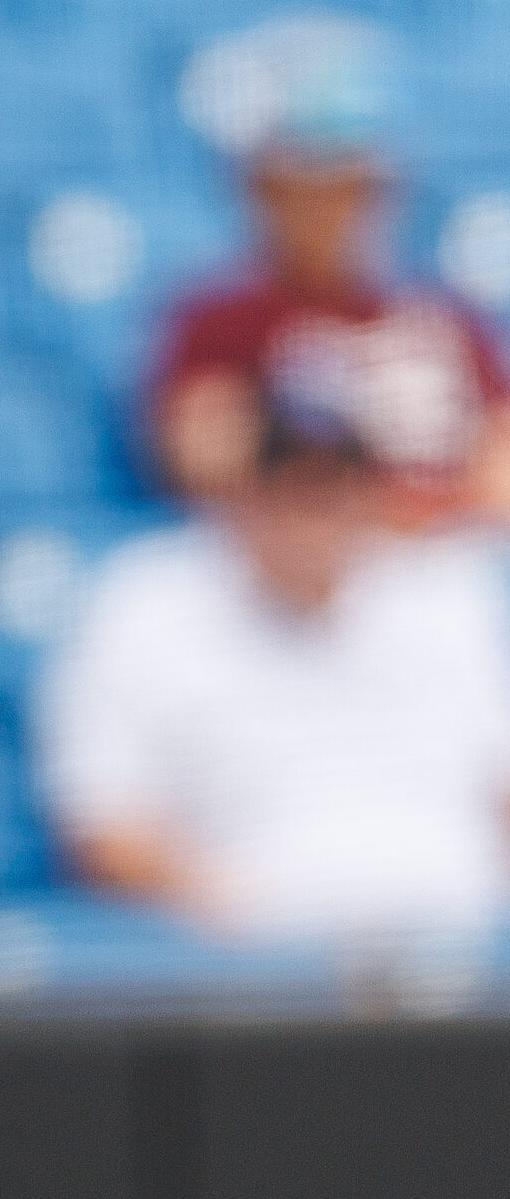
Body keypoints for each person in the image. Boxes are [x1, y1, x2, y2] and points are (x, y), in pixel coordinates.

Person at [39, 408, 510, 945]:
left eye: (333, 494)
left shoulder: (443, 591)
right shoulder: (143, 599)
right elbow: (103, 825)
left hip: (463, 933)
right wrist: (224, 914)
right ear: (243, 499)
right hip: (255, 949)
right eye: (291, 494)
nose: (313, 522)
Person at [149, 107, 510, 530]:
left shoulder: (443, 317)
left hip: (437, 558)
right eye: (303, 191)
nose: (327, 211)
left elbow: (501, 469)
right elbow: (201, 464)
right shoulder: (221, 319)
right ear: (263, 195)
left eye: (348, 190)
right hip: (278, 568)